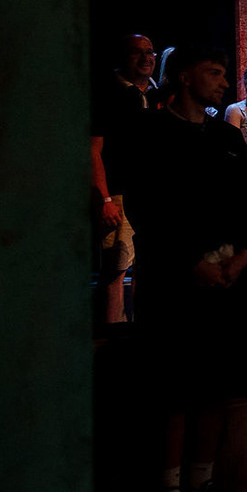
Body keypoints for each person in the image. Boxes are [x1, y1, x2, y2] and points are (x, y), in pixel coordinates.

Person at [121, 45, 247, 492]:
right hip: (173, 284)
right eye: (215, 73)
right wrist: (189, 262)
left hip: (228, 282)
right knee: (174, 390)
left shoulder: (226, 135)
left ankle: (200, 489)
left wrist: (244, 254)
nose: (225, 83)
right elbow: (146, 207)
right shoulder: (150, 131)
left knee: (216, 388)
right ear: (183, 76)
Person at [91, 32, 159, 324]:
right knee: (116, 270)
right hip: (118, 194)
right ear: (123, 56)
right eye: (137, 52)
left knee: (148, 267)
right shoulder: (107, 92)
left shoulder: (156, 94)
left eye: (150, 52)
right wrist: (104, 198)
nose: (146, 58)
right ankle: (113, 337)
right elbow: (92, 150)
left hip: (150, 194)